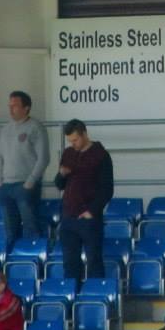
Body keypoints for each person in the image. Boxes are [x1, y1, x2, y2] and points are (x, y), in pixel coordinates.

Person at [54, 118, 114, 282]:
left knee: (94, 261)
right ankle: (72, 295)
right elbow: (59, 185)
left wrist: (92, 211)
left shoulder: (101, 155)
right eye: (70, 141)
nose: (73, 144)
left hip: (88, 217)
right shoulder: (68, 153)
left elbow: (107, 189)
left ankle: (95, 295)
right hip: (68, 216)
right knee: (69, 263)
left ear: (84, 134)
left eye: (75, 140)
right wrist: (61, 175)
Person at [0, 90, 49, 246]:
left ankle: (32, 257)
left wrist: (30, 182)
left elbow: (44, 158)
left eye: (15, 106)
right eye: (9, 105)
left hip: (25, 186)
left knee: (31, 228)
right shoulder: (5, 129)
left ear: (26, 108)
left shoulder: (36, 127)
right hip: (6, 186)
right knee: (10, 232)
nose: (11, 109)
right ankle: (13, 258)